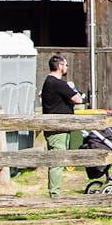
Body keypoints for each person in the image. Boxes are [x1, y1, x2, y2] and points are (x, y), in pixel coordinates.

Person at [38, 54, 85, 198]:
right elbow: (77, 99)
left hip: (55, 126)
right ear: (59, 66)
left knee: (57, 157)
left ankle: (55, 190)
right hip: (58, 127)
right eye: (66, 65)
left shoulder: (48, 82)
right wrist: (76, 92)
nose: (66, 68)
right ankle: (55, 193)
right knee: (57, 159)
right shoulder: (57, 83)